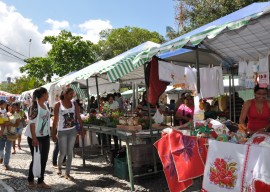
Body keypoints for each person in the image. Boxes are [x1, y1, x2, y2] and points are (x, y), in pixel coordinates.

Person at [52, 87, 84, 181]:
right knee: (62, 153)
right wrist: (53, 133)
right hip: (62, 131)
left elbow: (78, 117)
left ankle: (67, 173)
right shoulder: (58, 104)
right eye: (70, 94)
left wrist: (82, 129)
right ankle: (59, 167)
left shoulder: (74, 103)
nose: (72, 96)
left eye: (73, 94)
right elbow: (55, 121)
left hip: (72, 130)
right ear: (65, 94)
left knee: (70, 152)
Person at [25, 87, 51, 189]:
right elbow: (32, 124)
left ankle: (41, 181)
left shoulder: (45, 105)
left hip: (45, 136)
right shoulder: (34, 106)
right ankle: (31, 180)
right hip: (35, 137)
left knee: (44, 159)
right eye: (47, 93)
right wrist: (34, 138)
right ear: (43, 94)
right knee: (35, 158)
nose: (48, 95)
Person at [0, 102, 20, 170]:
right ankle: (1, 157)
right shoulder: (5, 113)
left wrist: (10, 123)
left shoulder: (17, 115)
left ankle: (6, 164)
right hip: (3, 133)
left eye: (15, 107)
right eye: (13, 107)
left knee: (8, 150)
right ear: (9, 107)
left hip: (10, 134)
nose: (14, 108)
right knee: (0, 148)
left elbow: (17, 125)